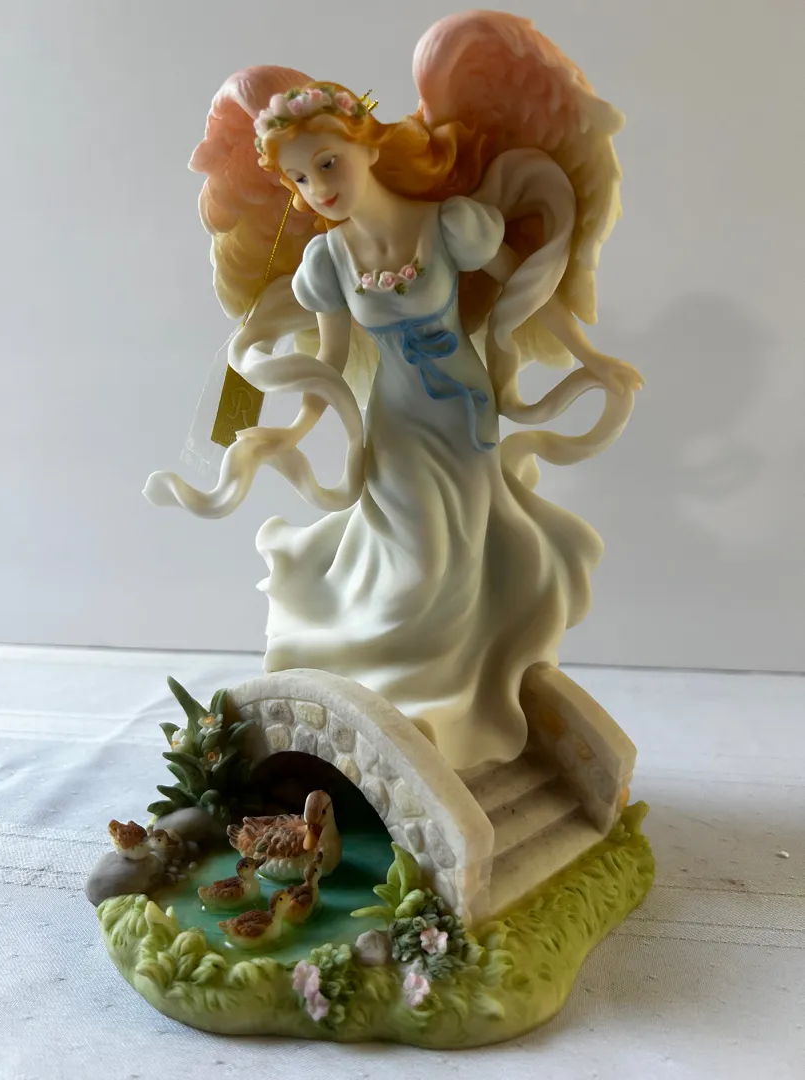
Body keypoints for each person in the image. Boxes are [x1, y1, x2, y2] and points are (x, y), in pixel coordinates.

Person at [145, 11, 643, 773]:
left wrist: (590, 359)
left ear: (368, 146)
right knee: (409, 565)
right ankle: (406, 701)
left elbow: (528, 293)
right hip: (395, 421)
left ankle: (455, 709)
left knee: (455, 564)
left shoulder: (451, 226)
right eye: (301, 178)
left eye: (328, 164)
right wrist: (289, 432)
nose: (319, 188)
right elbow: (329, 365)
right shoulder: (327, 263)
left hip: (465, 414)